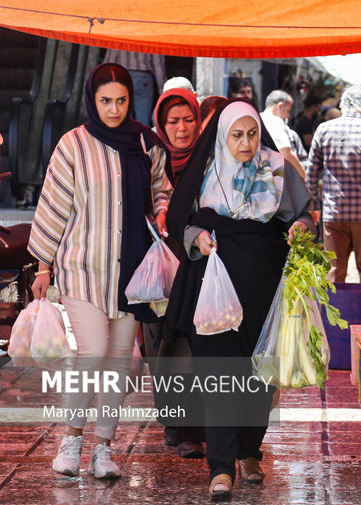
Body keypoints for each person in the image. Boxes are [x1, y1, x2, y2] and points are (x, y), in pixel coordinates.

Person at [27, 63, 172, 478]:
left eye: (121, 101)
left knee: (119, 363)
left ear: (132, 99)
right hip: (83, 269)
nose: (114, 109)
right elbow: (54, 205)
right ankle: (71, 440)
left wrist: (161, 216)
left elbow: (162, 190)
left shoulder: (146, 144)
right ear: (93, 99)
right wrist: (43, 267)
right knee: (92, 355)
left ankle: (102, 449)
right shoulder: (73, 145)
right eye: (106, 101)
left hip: (133, 275)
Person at [164, 99, 314, 500]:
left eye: (252, 133)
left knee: (259, 375)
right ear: (223, 136)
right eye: (236, 135)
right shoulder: (206, 173)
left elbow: (305, 215)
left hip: (265, 286)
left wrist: (300, 227)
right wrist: (196, 237)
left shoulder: (278, 169)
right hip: (215, 289)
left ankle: (250, 452)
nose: (245, 143)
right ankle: (221, 467)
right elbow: (181, 220)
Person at [147, 87, 206, 459]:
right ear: (161, 124)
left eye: (188, 120)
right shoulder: (151, 158)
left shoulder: (209, 158)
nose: (181, 128)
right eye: (173, 121)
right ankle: (172, 421)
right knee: (161, 345)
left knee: (192, 345)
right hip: (157, 267)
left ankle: (192, 429)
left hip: (198, 264)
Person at [305, 85, 361, 283]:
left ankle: (335, 313)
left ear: (343, 104)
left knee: (334, 272)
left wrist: (313, 206)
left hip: (334, 212)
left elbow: (311, 171)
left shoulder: (324, 130)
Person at [103, 50, 166, 126]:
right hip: (143, 77)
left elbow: (110, 60)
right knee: (143, 120)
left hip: (122, 77)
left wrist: (105, 86)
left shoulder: (119, 37)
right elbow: (157, 64)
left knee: (123, 118)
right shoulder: (152, 37)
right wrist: (162, 90)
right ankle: (142, 136)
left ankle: (124, 136)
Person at [260, 90, 306, 178]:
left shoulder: (258, 118)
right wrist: (303, 175)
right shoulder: (275, 121)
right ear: (280, 106)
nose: (288, 115)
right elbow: (286, 152)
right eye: (288, 110)